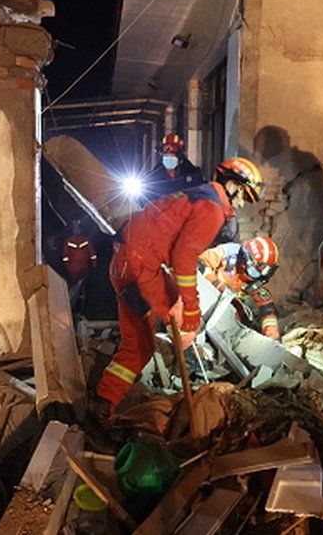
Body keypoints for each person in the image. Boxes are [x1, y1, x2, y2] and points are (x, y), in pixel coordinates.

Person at [90, 157, 265, 425]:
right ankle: (105, 406)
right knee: (152, 338)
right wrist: (192, 309)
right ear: (231, 185)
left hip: (128, 262)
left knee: (138, 344)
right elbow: (184, 256)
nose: (241, 205)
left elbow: (172, 246)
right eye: (243, 196)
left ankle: (103, 405)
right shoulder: (212, 208)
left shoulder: (199, 195)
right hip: (140, 266)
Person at [199, 236, 281, 340]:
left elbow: (267, 307)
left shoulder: (256, 279)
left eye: (267, 269)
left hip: (228, 312)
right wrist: (218, 286)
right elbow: (200, 263)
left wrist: (272, 334)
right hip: (205, 299)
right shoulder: (227, 254)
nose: (263, 272)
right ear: (247, 259)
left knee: (243, 320)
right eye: (261, 267)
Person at [147, 133, 205, 199]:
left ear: (179, 155)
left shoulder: (192, 173)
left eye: (172, 151)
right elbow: (144, 199)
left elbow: (200, 195)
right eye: (166, 151)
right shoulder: (154, 176)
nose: (169, 154)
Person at [61, 220, 98, 285]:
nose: (76, 230)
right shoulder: (69, 241)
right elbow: (65, 255)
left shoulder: (85, 240)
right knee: (77, 285)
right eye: (74, 228)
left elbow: (92, 254)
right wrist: (66, 266)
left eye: (77, 228)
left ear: (80, 229)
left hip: (82, 268)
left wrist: (94, 265)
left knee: (82, 285)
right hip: (73, 269)